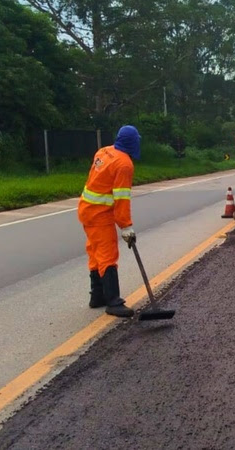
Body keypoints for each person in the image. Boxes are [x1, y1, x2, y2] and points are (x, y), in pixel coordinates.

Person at [77, 125, 141, 318]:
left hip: (86, 209)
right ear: (134, 142)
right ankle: (113, 301)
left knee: (95, 252)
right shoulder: (124, 164)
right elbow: (121, 198)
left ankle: (97, 296)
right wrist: (126, 226)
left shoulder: (104, 151)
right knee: (107, 255)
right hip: (99, 215)